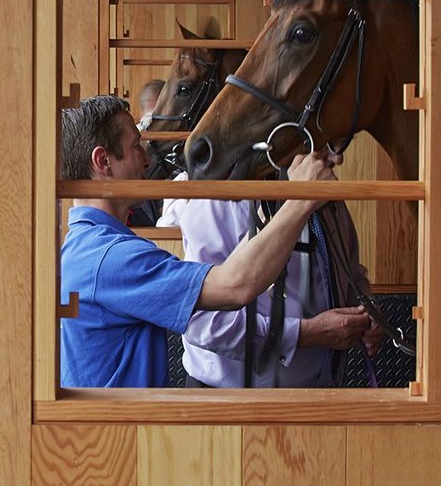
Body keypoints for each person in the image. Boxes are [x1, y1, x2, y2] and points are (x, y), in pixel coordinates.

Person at [59, 95, 343, 387]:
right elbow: (236, 285)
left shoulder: (83, 247)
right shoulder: (111, 259)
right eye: (135, 146)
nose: (146, 159)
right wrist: (302, 197)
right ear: (103, 161)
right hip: (119, 432)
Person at [179, 198, 381, 388]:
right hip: (230, 409)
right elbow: (203, 324)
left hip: (322, 395)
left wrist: (367, 312)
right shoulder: (214, 203)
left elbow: (351, 276)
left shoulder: (328, 199)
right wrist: (307, 334)